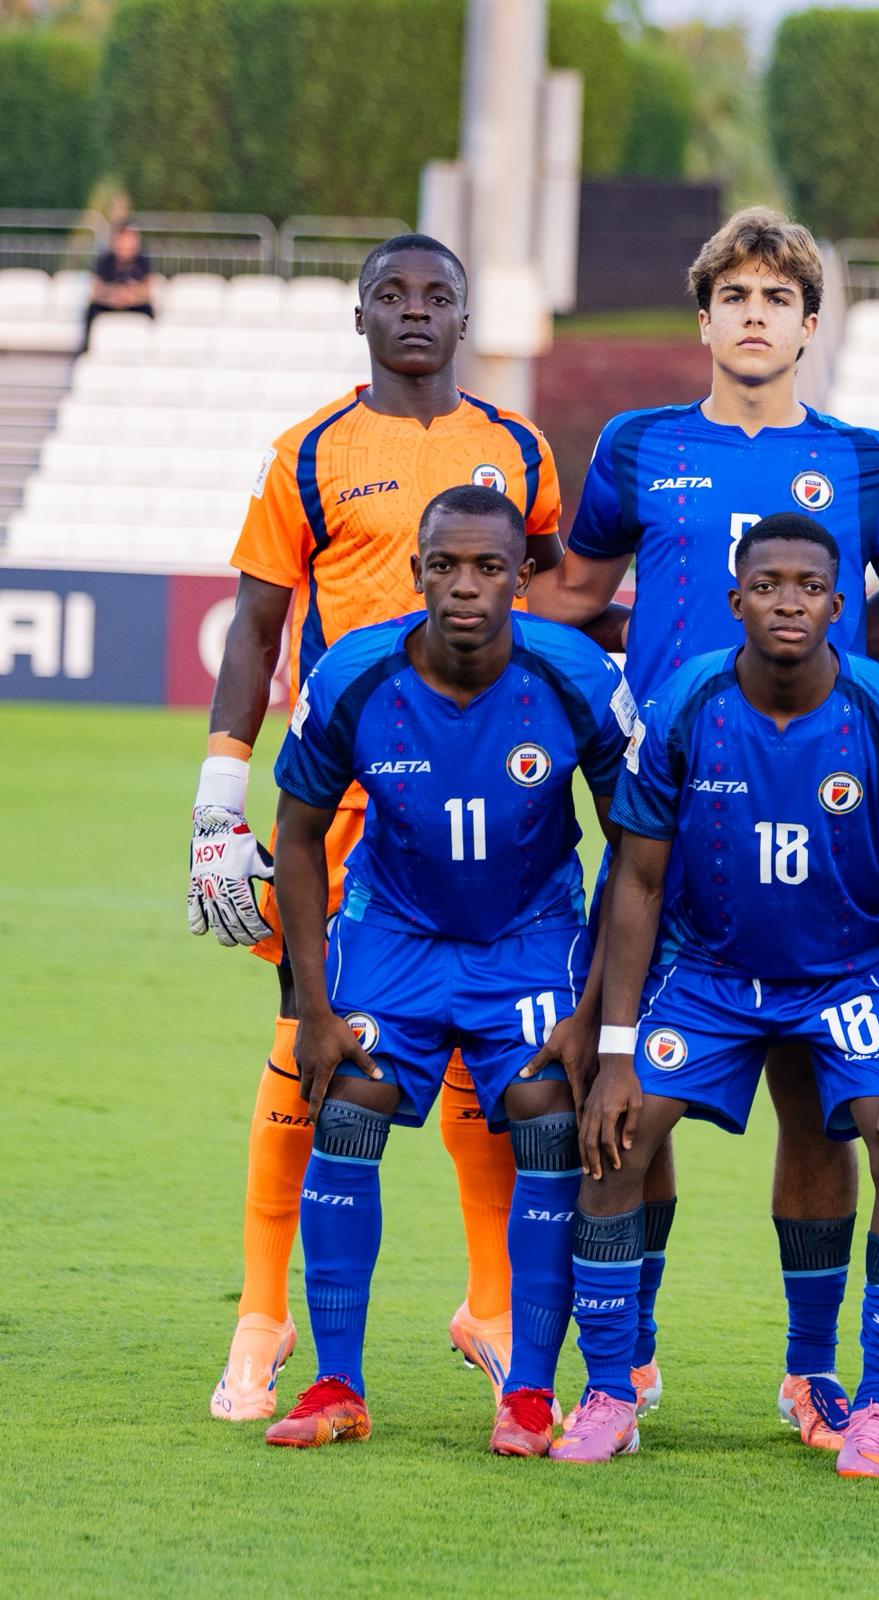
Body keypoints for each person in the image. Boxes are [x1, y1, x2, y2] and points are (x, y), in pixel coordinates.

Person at [526, 207, 879, 1440]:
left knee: (811, 1101)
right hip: (659, 805)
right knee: (628, 1083)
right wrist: (415, 622)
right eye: (731, 295)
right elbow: (572, 592)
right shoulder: (638, 445)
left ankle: (808, 1370)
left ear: (806, 322)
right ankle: (629, 1365)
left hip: (811, 804)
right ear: (703, 317)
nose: (752, 315)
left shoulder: (858, 459)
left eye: (775, 298)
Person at [190, 232, 562, 1425]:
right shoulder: (309, 450)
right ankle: (264, 1314)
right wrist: (217, 799)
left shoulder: (518, 449)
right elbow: (255, 627)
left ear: (466, 315)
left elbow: (549, 596)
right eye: (392, 295)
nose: (415, 312)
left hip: (491, 804)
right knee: (318, 1038)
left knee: (483, 1053)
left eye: (437, 295)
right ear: (359, 317)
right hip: (342, 802)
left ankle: (492, 1309)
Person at [559, 514, 879, 1466]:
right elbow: (638, 880)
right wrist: (615, 1053)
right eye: (769, 584)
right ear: (735, 600)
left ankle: (857, 1396)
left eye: (809, 586)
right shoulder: (682, 707)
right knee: (615, 1139)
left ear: (839, 604)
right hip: (705, 975)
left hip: (847, 974)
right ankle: (612, 1391)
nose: (789, 600)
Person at [257, 488, 631, 1451]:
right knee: (349, 1103)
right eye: (445, 567)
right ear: (416, 570)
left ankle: (530, 1392)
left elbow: (637, 847)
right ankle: (335, 1383)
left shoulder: (577, 675)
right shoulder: (352, 673)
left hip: (532, 937)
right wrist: (314, 1004)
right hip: (395, 935)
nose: (466, 587)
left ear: (523, 575)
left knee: (550, 1116)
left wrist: (597, 1008)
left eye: (489, 568)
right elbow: (297, 840)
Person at [81, 222, 156, 353]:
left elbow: (148, 290)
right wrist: (114, 295)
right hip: (109, 303)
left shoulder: (143, 261)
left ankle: (152, 350)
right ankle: (87, 349)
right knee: (92, 309)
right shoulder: (105, 260)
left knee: (149, 310)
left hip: (134, 304)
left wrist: (131, 295)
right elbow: (95, 289)